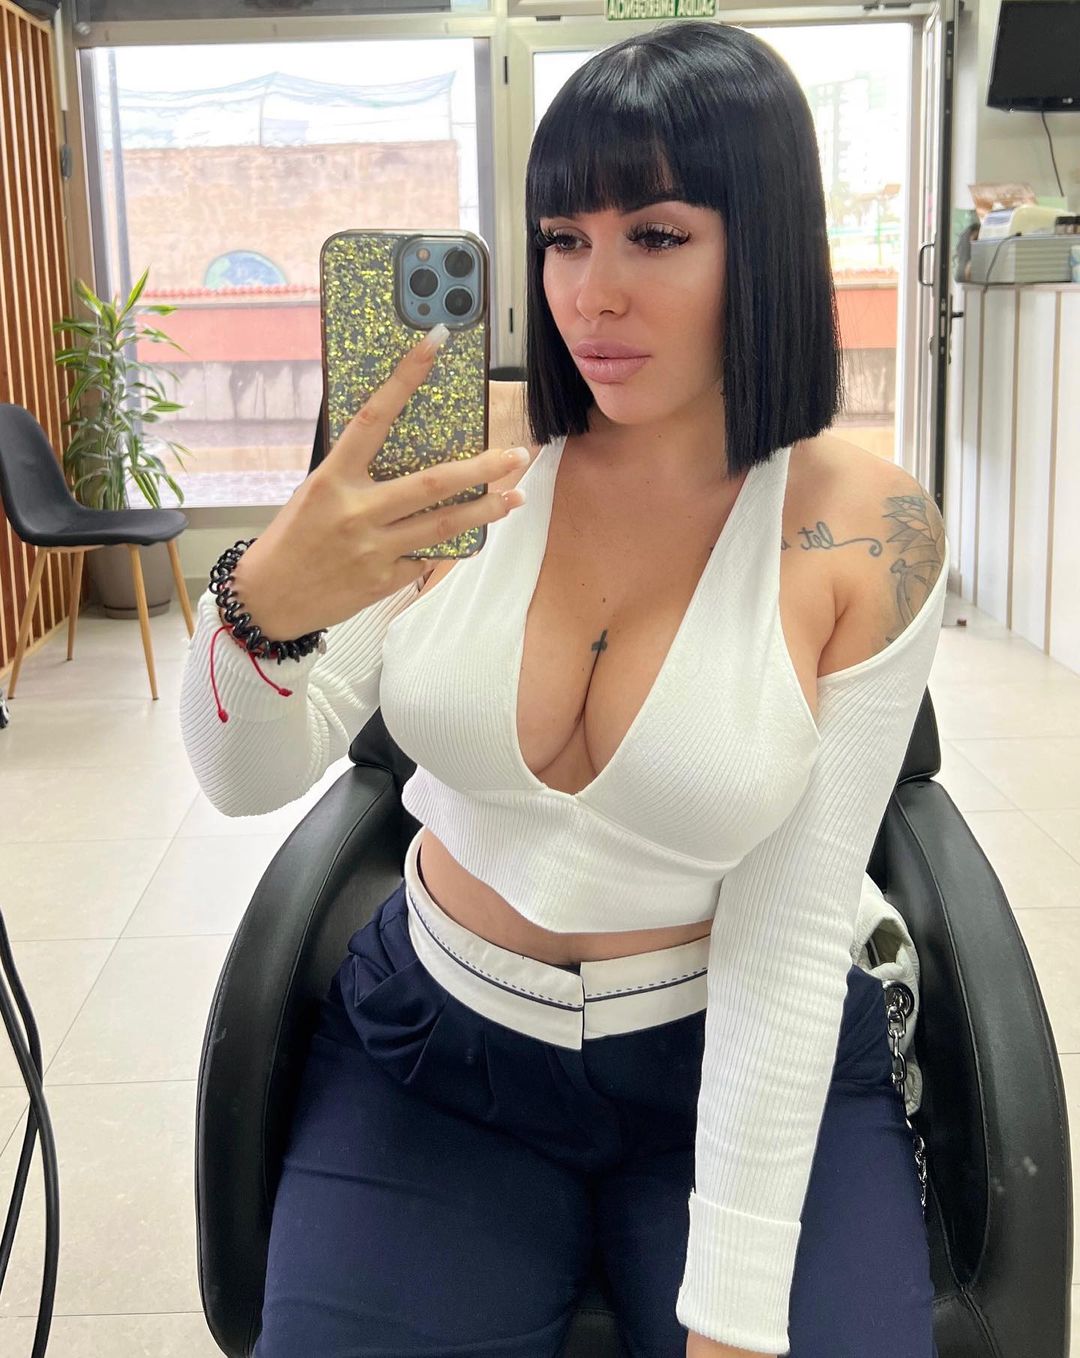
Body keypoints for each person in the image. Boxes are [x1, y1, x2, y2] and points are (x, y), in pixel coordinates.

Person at [180, 20, 948, 1358]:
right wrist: (263, 606)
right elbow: (241, 779)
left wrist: (735, 1307)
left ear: (765, 243)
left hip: (737, 1053)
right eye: (561, 238)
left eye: (655, 235)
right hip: (439, 1052)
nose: (590, 295)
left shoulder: (866, 533)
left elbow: (788, 925)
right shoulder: (466, 474)